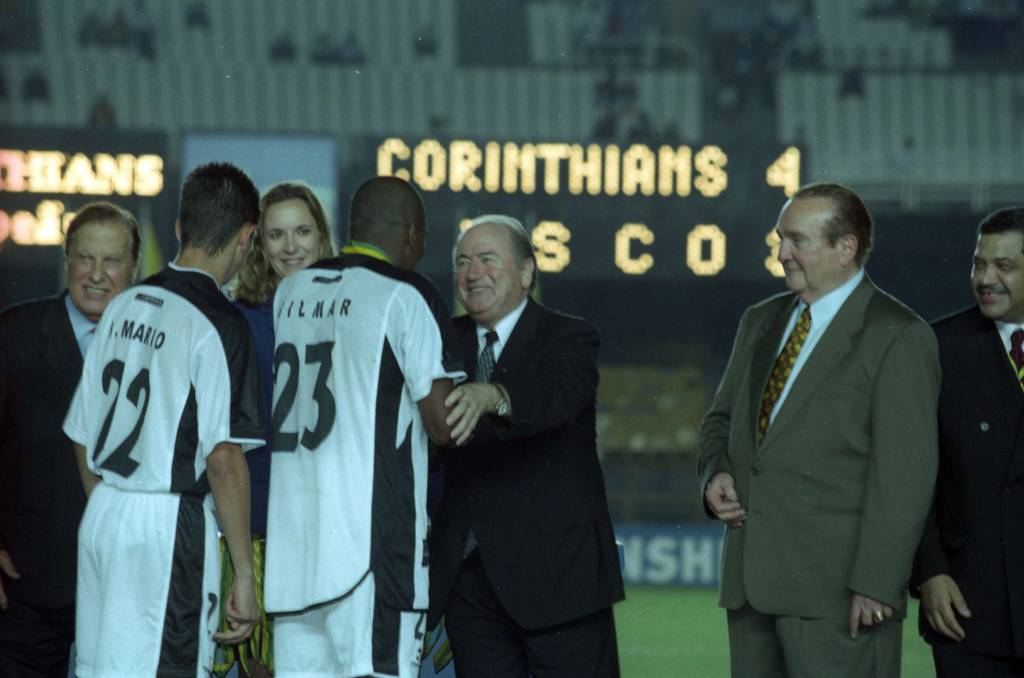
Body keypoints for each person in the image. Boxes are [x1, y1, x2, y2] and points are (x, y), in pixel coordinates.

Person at [698, 181, 940, 678]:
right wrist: (716, 472)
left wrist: (878, 582)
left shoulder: (898, 334)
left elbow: (905, 477)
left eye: (796, 240)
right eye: (780, 239)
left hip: (841, 596)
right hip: (749, 590)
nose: (782, 254)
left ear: (845, 248)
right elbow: (719, 421)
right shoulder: (759, 321)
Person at [62, 162, 264, 677]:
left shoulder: (124, 303)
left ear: (179, 228)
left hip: (104, 511)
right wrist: (244, 573)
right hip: (169, 526)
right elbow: (224, 458)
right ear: (246, 237)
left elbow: (82, 434)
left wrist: (114, 506)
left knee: (100, 667)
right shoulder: (221, 324)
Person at [263, 176, 463, 678]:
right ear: (412, 234)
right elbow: (443, 425)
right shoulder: (406, 294)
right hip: (373, 556)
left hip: (295, 555)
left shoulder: (289, 293)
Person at [428, 214, 625, 678]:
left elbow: (557, 400)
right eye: (462, 262)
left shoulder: (570, 335)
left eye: (487, 259)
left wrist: (495, 396)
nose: (473, 273)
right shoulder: (439, 342)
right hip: (469, 587)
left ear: (527, 271)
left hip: (559, 582)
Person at [0, 202, 139, 677]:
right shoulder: (13, 334)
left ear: (134, 268)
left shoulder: (155, 347)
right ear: (67, 261)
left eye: (112, 260)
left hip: (126, 589)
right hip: (29, 589)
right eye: (85, 258)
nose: (97, 275)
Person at [228, 181, 335, 676]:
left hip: (336, 529)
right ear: (258, 243)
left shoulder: (355, 308)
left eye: (302, 232)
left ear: (322, 236)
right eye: (276, 235)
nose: (291, 246)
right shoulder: (238, 321)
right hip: (263, 528)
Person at [916, 206, 1024, 676]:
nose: (985, 279)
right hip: (968, 609)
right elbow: (912, 474)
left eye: (1003, 266)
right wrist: (930, 571)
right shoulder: (936, 346)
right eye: (979, 264)